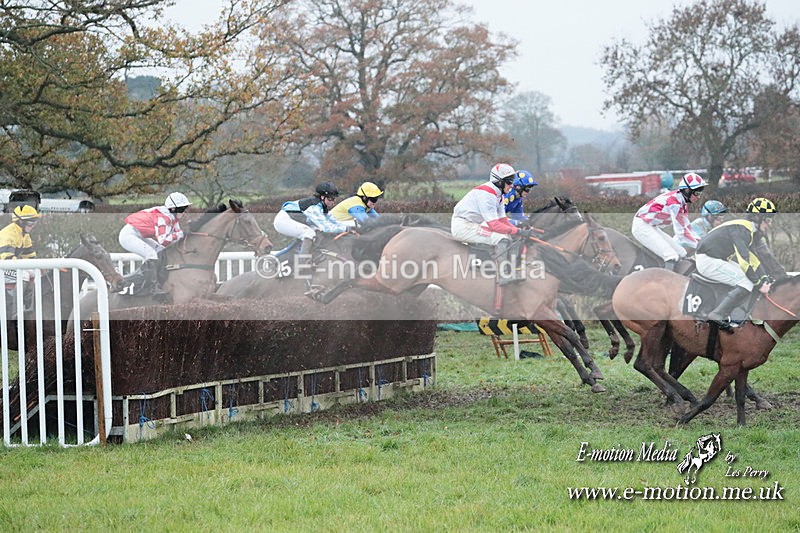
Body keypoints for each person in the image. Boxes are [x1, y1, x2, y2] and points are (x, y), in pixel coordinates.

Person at [695, 197, 777, 332]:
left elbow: (753, 259)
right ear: (757, 217)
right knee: (747, 282)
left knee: (750, 280)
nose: (770, 224)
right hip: (707, 261)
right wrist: (758, 284)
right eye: (768, 220)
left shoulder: (748, 231)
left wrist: (764, 278)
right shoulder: (742, 230)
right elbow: (744, 261)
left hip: (717, 259)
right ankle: (717, 314)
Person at [451, 163, 533, 285]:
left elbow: (503, 221)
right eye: (509, 182)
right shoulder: (487, 194)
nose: (512, 185)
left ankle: (510, 270)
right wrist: (518, 231)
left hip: (471, 223)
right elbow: (494, 225)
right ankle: (503, 275)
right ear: (500, 181)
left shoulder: (499, 195)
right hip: (462, 226)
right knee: (501, 238)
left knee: (509, 237)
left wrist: (518, 230)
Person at [119, 192, 191, 294]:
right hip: (128, 235)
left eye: (185, 208)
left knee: (160, 251)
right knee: (151, 254)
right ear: (173, 208)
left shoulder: (173, 217)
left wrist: (185, 234)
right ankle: (152, 287)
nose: (184, 212)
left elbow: (177, 236)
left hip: (138, 234)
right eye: (182, 209)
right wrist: (181, 234)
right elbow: (164, 240)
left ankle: (157, 282)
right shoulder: (163, 217)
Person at [631, 172, 706, 271]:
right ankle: (665, 282)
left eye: (700, 193)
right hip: (641, 226)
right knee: (671, 256)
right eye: (697, 193)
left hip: (651, 226)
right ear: (687, 190)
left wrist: (702, 243)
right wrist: (702, 247)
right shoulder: (675, 203)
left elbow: (687, 228)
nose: (699, 197)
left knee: (682, 253)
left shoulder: (682, 202)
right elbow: (681, 233)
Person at [274, 181, 350, 265]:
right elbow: (327, 228)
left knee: (316, 231)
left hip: (293, 219)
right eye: (330, 198)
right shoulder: (314, 207)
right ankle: (303, 263)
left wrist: (351, 227)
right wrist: (346, 228)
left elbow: (335, 222)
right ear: (322, 197)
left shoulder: (323, 207)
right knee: (309, 233)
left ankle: (311, 254)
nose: (333, 202)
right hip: (283, 220)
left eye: (334, 198)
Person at [1, 205, 41, 318]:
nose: (32, 225)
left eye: (34, 222)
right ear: (20, 222)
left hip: (8, 266)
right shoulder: (8, 233)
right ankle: (16, 314)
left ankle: (29, 305)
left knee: (35, 273)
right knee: (23, 274)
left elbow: (30, 257)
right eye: (30, 222)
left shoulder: (25, 235)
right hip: (3, 265)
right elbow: (7, 259)